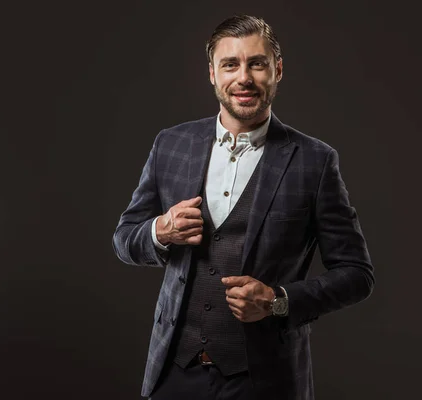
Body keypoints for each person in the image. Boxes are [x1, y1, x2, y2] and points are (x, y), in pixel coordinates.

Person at [112, 14, 375, 400]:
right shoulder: (171, 144)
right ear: (212, 74)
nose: (244, 78)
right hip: (173, 374)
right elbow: (123, 240)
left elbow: (357, 274)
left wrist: (278, 301)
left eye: (257, 63)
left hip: (264, 381)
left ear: (277, 70)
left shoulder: (314, 161)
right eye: (230, 64)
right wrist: (160, 231)